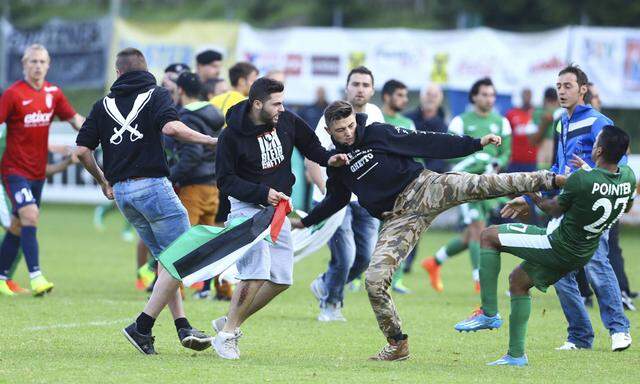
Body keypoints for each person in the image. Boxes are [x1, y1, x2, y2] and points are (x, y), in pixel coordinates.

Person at [291, 100, 564, 361]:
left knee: (484, 184)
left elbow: (426, 141)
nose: (348, 132)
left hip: (426, 188)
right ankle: (397, 344)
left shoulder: (377, 132)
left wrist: (475, 144)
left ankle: (551, 179)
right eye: (341, 130)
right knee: (374, 282)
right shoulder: (337, 164)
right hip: (398, 219)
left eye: (351, 125)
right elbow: (335, 200)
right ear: (328, 131)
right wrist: (305, 221)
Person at [455, 125, 635, 366]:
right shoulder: (628, 177)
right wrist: (588, 174)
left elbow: (553, 208)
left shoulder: (582, 179)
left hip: (556, 243)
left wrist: (533, 194)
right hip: (582, 251)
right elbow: (625, 205)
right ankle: (516, 356)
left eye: (594, 144)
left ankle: (488, 313)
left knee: (488, 236)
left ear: (599, 150)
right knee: (518, 281)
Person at [75, 47, 216, 354]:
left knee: (168, 262)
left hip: (124, 195)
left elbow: (82, 151)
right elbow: (171, 128)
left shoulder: (102, 105)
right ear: (145, 69)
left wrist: (103, 181)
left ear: (118, 73)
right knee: (182, 256)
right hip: (154, 187)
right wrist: (210, 140)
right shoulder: (157, 94)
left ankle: (182, 327)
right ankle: (142, 325)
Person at [492, 65, 632, 352]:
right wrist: (528, 199)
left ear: (583, 89)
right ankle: (580, 336)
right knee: (560, 271)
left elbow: (620, 162)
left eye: (567, 85)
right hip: (566, 207)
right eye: (558, 86)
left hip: (590, 207)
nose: (561, 91)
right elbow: (557, 168)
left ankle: (620, 329)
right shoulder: (561, 122)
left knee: (597, 263)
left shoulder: (598, 121)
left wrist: (592, 175)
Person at [210, 77, 349, 360]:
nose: (282, 109)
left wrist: (330, 158)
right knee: (256, 271)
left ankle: (229, 321)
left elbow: (312, 147)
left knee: (281, 279)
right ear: (257, 104)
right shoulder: (230, 136)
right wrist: (262, 192)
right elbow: (225, 181)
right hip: (246, 209)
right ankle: (227, 336)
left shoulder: (286, 120)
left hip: (278, 209)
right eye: (276, 104)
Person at [0, 44, 85, 297]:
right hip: (14, 170)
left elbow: (74, 119)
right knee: (30, 215)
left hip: (38, 172)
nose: (37, 66)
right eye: (33, 61)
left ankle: (1, 275)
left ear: (48, 65)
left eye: (42, 62)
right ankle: (37, 276)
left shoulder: (53, 93)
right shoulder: (13, 94)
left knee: (18, 224)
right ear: (24, 65)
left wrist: (96, 132)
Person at [305, 66, 384, 322]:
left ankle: (325, 283)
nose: (360, 89)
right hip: (336, 199)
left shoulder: (375, 114)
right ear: (347, 87)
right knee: (345, 255)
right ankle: (331, 305)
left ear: (372, 90)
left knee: (365, 257)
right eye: (356, 84)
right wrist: (327, 192)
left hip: (365, 198)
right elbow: (313, 159)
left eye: (365, 84)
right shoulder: (331, 116)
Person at [422, 78, 511, 293]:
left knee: (473, 233)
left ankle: (434, 262)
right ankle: (479, 282)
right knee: (478, 231)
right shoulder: (460, 122)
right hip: (465, 183)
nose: (489, 99)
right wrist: (477, 163)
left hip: (489, 184)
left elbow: (506, 153)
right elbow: (451, 153)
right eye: (484, 94)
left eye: (492, 95)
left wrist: (496, 165)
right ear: (474, 97)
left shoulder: (502, 123)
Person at [172, 72, 225, 299]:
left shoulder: (186, 117)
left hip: (193, 186)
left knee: (181, 242)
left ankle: (175, 291)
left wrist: (172, 175)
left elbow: (191, 154)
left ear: (180, 91)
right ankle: (223, 288)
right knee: (211, 242)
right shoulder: (214, 113)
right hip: (212, 186)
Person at [381, 79, 415, 293]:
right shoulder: (376, 118)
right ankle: (357, 277)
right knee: (370, 233)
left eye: (405, 95)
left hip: (400, 186)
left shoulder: (408, 123)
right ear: (387, 96)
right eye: (400, 95)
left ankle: (397, 279)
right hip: (375, 185)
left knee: (400, 232)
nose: (405, 99)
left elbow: (414, 152)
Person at [406, 83, 449, 173]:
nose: (431, 98)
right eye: (428, 94)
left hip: (436, 175)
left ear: (440, 99)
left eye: (435, 95)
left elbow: (444, 156)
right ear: (421, 96)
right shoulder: (407, 120)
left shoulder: (445, 125)